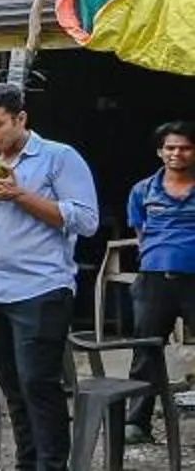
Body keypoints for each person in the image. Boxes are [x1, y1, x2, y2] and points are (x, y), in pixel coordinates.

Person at [0, 77, 100, 471]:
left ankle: (52, 466)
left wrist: (20, 196)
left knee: (39, 386)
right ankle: (26, 463)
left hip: (41, 289)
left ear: (20, 118)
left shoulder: (58, 158)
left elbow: (85, 220)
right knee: (13, 390)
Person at [126, 123, 195, 438]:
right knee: (146, 351)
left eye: (184, 147)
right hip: (154, 280)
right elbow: (141, 234)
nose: (176, 153)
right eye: (170, 147)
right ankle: (137, 422)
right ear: (160, 151)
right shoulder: (143, 190)